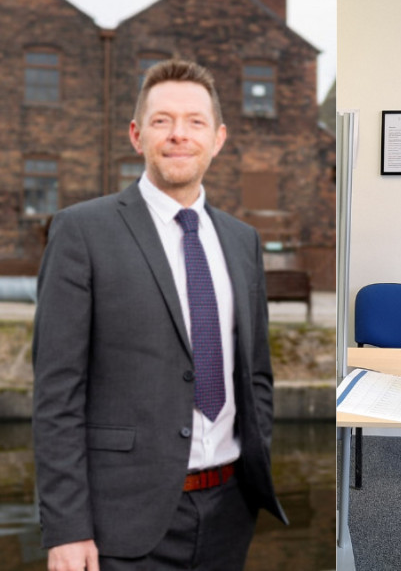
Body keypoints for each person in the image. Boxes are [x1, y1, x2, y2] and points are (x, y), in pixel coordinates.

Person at [32, 59, 287, 571]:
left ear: (217, 138)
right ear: (136, 134)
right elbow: (57, 393)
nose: (178, 135)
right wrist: (66, 527)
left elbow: (255, 371)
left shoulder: (242, 241)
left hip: (230, 510)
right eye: (162, 120)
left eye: (194, 122)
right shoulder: (82, 231)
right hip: (121, 523)